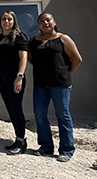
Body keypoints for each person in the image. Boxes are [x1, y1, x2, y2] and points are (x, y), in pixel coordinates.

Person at [28, 12, 82, 162]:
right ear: (38, 24)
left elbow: (77, 59)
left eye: (48, 20)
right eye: (41, 21)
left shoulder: (63, 39)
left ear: (54, 22)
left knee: (62, 115)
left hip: (60, 85)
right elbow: (31, 59)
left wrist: (65, 72)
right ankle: (46, 147)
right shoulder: (33, 41)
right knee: (39, 114)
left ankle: (66, 150)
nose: (45, 23)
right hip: (40, 85)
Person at [0, 11, 28, 155]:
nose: (7, 21)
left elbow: (23, 58)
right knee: (10, 108)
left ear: (14, 21)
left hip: (15, 77)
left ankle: (21, 141)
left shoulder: (19, 37)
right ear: (0, 22)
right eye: (4, 19)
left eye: (9, 19)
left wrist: (20, 76)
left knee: (16, 108)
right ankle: (18, 139)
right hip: (2, 77)